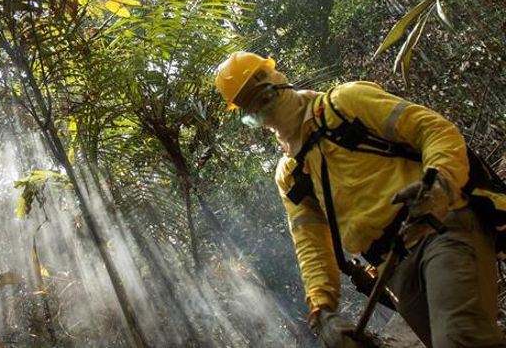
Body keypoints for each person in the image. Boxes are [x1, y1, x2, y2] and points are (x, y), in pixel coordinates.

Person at [214, 51, 505, 348]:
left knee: (460, 339)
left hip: (441, 226)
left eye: (265, 95)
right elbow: (310, 242)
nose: (267, 110)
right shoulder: (291, 174)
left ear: (278, 80)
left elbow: (433, 130)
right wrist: (321, 309)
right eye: (254, 110)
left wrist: (439, 184)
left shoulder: (345, 103)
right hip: (392, 268)